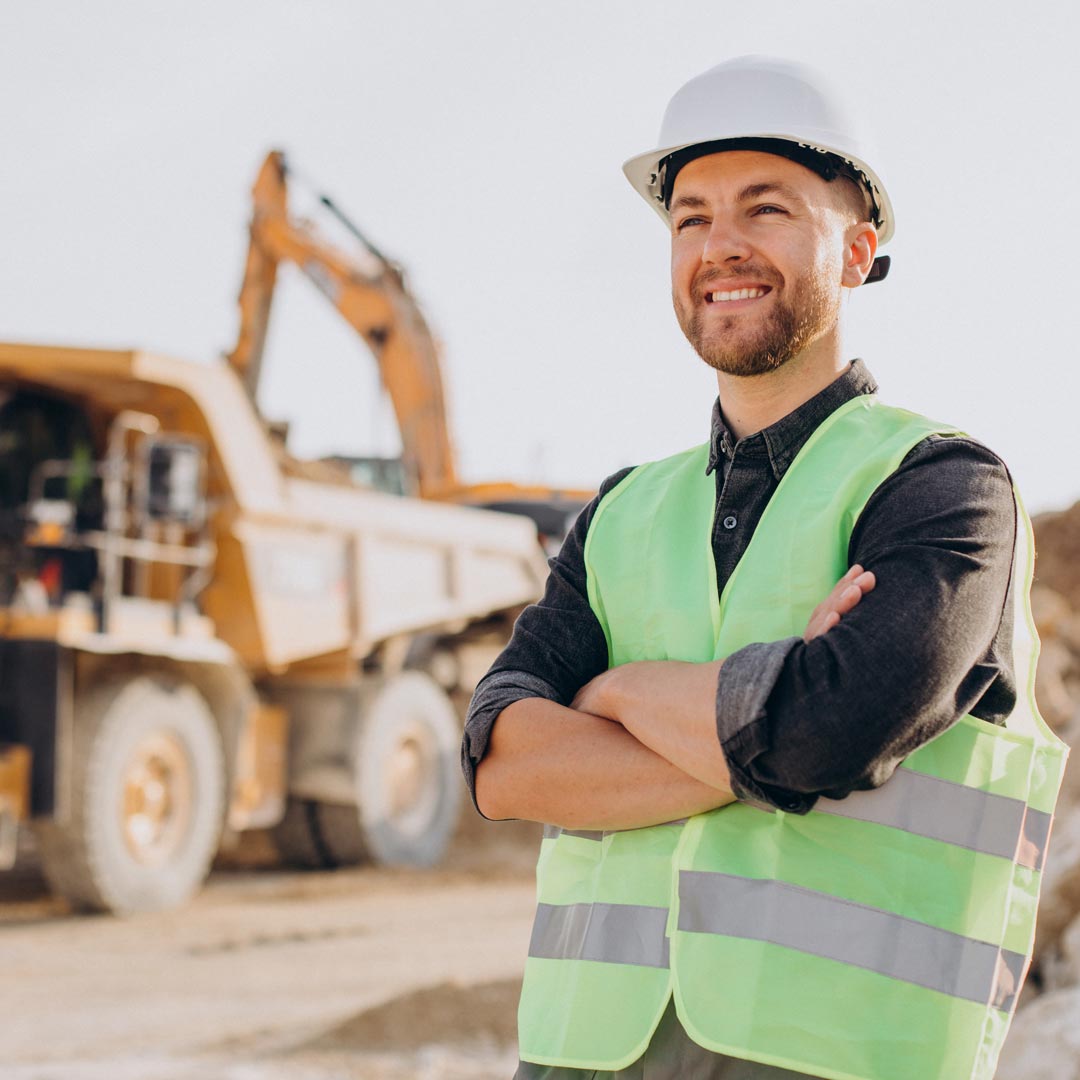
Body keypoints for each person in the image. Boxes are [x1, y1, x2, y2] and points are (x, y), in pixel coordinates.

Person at [461, 56, 1067, 1080]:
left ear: (859, 251)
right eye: (690, 218)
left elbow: (827, 734)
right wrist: (763, 731)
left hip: (837, 1055)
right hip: (584, 1055)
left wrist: (609, 695)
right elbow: (503, 765)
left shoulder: (947, 490)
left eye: (766, 210)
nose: (721, 246)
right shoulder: (620, 513)